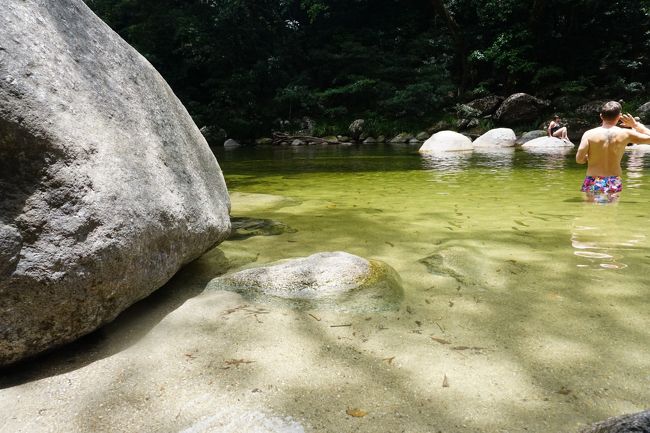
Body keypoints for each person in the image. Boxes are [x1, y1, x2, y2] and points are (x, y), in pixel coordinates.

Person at [575, 101, 650, 201]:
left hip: (593, 179)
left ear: (601, 116)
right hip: (613, 180)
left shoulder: (589, 134)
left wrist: (587, 158)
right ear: (619, 116)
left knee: (591, 213)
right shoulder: (626, 134)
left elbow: (579, 160)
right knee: (611, 213)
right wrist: (635, 125)